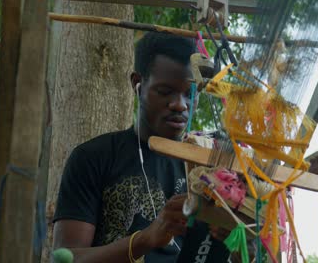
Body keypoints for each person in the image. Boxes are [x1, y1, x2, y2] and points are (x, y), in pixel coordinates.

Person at [53, 32, 231, 263]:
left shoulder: (211, 166)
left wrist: (237, 241)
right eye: (165, 92)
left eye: (190, 94)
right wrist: (145, 239)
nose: (180, 104)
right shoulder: (93, 157)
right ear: (137, 83)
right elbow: (63, 259)